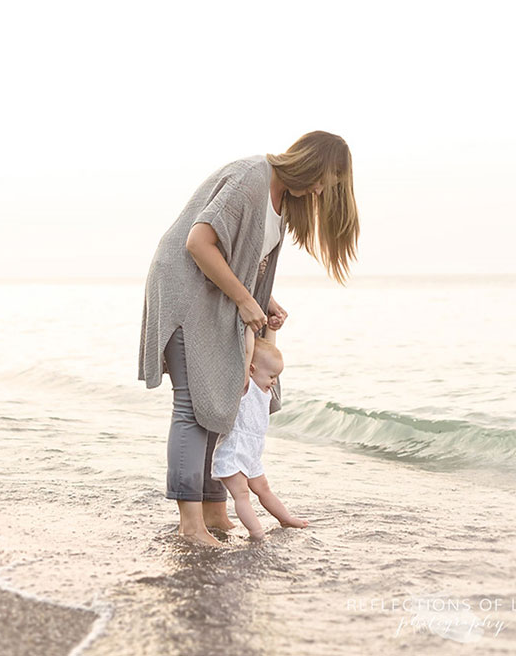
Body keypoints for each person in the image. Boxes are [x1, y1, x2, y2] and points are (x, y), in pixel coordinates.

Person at [138, 131, 359, 546]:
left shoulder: (281, 199)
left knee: (222, 401)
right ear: (309, 163)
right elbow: (198, 242)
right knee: (191, 404)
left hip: (214, 292)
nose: (317, 192)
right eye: (320, 182)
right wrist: (244, 300)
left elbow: (238, 257)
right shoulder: (251, 178)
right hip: (186, 289)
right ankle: (190, 526)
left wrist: (264, 298)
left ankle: (214, 511)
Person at [210, 327, 308, 540]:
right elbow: (247, 354)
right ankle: (256, 532)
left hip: (252, 455)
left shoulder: (264, 390)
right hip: (233, 452)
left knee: (263, 488)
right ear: (252, 370)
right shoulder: (246, 386)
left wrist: (271, 329)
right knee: (242, 494)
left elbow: (269, 353)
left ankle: (285, 518)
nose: (274, 381)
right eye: (272, 376)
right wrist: (248, 329)